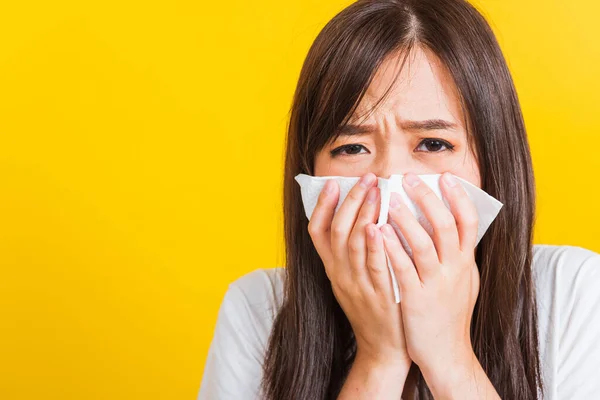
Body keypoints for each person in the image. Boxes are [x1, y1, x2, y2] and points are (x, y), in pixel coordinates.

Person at [198, 0, 600, 398]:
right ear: (310, 168)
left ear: (492, 163)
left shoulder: (573, 293)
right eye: (352, 148)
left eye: (432, 143)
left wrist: (450, 358)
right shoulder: (257, 310)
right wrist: (379, 359)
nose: (389, 180)